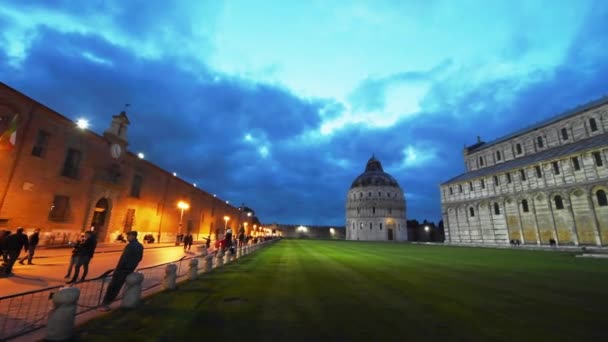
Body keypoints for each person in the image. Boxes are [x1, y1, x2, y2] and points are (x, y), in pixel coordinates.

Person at [99, 231, 143, 311]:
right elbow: (137, 258)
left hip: (122, 270)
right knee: (115, 287)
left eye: (128, 236)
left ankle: (105, 304)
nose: (127, 237)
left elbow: (129, 259)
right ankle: (107, 303)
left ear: (133, 236)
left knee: (114, 287)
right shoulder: (136, 245)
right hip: (125, 269)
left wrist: (123, 268)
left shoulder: (133, 246)